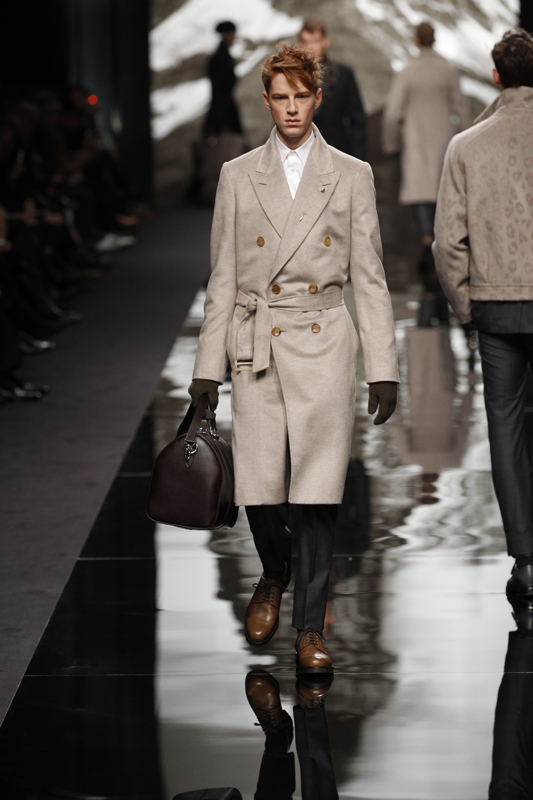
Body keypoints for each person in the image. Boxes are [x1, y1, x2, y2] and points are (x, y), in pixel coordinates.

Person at [188, 44, 398, 675]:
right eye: (280, 97)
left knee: (316, 494)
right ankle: (274, 572)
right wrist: (206, 368)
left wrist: (383, 366)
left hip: (323, 341)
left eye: (301, 96)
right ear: (266, 100)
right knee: (260, 489)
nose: (291, 108)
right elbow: (223, 277)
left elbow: (370, 277)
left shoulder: (351, 174)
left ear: (317, 98)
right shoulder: (237, 175)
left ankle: (309, 629)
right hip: (257, 343)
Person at [433, 29, 533, 597]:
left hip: (495, 307)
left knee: (506, 425)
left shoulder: (466, 145)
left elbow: (448, 244)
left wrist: (467, 308)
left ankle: (526, 560)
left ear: (496, 76)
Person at [382, 22, 469, 325]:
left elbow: (392, 115)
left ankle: (428, 266)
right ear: (435, 39)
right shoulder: (448, 71)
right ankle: (442, 271)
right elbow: (462, 111)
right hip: (446, 153)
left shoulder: (408, 72)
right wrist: (467, 148)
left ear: (415, 40)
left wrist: (392, 147)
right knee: (445, 213)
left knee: (424, 219)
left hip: (417, 154)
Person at [297, 19, 366, 159]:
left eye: (315, 41)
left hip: (337, 154)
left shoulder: (344, 75)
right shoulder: (291, 77)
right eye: (306, 42)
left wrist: (358, 161)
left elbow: (358, 122)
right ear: (300, 44)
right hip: (300, 155)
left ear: (325, 41)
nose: (310, 47)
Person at [203, 21, 243, 136]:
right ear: (226, 35)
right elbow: (223, 86)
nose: (234, 37)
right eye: (232, 34)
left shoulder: (220, 55)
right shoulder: (221, 58)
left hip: (221, 105)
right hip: (223, 107)